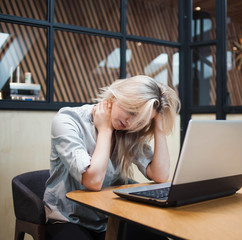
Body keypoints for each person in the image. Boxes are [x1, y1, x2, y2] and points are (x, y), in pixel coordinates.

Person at [43, 75, 180, 240]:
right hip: (68, 218)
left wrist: (158, 126)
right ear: (116, 96)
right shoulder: (67, 120)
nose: (131, 122)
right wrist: (105, 130)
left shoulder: (129, 131)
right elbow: (93, 181)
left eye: (141, 120)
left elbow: (160, 175)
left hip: (110, 217)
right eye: (131, 111)